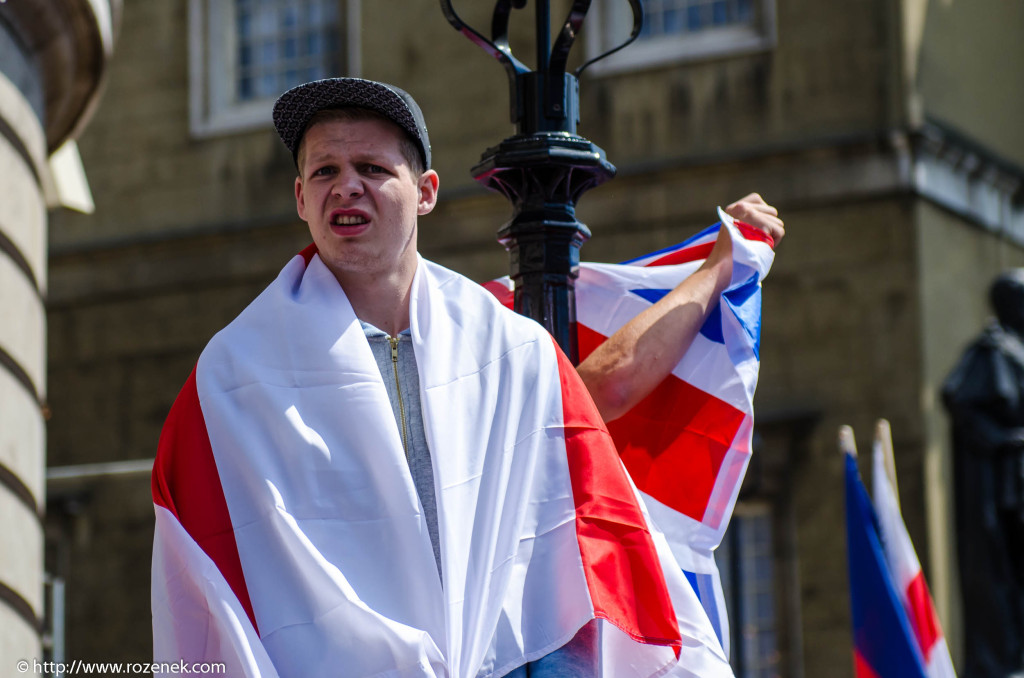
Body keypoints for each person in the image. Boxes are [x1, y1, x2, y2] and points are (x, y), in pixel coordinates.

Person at [151, 78, 783, 678]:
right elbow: (203, 575)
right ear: (300, 199)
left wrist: (718, 269)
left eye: (371, 168)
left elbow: (588, 505)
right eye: (325, 171)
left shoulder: (507, 348)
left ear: (425, 191)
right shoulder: (234, 374)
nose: (346, 187)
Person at [943, 271, 1024, 677]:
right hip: (1005, 488)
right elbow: (958, 400)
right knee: (1004, 570)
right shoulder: (994, 350)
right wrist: (1007, 440)